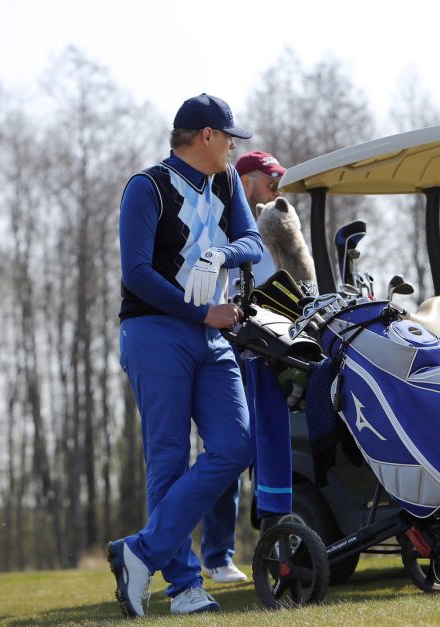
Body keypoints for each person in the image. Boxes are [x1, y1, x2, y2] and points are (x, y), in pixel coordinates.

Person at [107, 93, 263, 618]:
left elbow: (253, 242)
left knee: (235, 445)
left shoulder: (225, 183)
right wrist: (202, 314)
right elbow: (136, 274)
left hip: (210, 336)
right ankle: (183, 587)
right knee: (169, 459)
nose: (235, 149)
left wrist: (222, 252)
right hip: (155, 333)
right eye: (230, 139)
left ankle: (140, 552)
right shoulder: (146, 187)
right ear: (207, 137)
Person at [198, 150, 288, 585]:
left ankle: (278, 538)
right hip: (229, 346)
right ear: (247, 180)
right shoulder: (221, 225)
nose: (276, 193)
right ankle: (216, 555)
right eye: (270, 183)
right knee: (229, 447)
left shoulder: (273, 230)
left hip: (272, 349)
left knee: (266, 444)